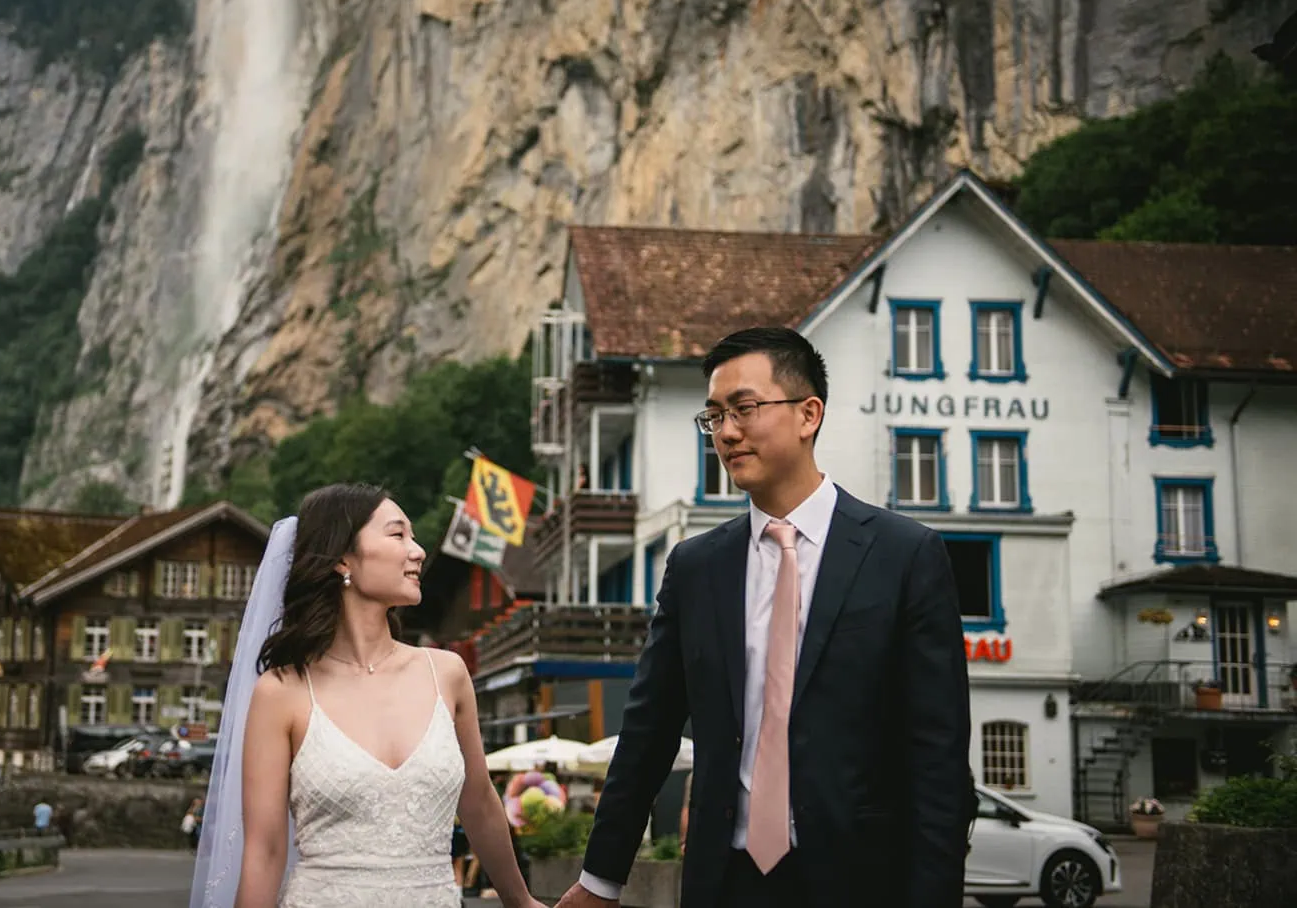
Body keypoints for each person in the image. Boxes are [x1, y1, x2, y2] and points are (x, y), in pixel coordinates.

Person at [556, 327, 974, 908]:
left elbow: (939, 755)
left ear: (808, 414)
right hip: (725, 881)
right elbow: (648, 731)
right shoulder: (696, 567)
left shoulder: (905, 556)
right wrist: (601, 879)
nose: (726, 432)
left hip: (861, 880)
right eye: (714, 416)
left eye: (744, 409)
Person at [188, 483, 545, 908]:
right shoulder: (281, 692)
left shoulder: (446, 673)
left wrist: (522, 902)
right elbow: (264, 851)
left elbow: (480, 802)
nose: (418, 551)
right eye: (398, 535)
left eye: (413, 537)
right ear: (343, 558)